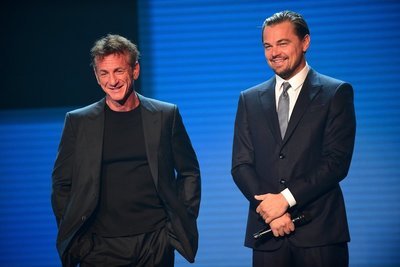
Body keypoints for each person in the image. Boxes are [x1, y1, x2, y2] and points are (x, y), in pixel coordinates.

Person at [51, 34, 201, 267]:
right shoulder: (78, 122)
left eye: (119, 71)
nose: (112, 81)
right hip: (98, 247)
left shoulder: (165, 116)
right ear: (96, 76)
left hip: (154, 243)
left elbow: (189, 172)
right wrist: (81, 243)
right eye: (104, 73)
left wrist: (175, 228)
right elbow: (62, 184)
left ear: (135, 70)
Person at [231, 10, 356, 267]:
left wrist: (285, 200)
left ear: (305, 42)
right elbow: (241, 164)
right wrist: (270, 213)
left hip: (319, 232)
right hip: (268, 234)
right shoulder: (250, 99)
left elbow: (336, 162)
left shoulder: (335, 93)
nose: (274, 52)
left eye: (283, 43)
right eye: (268, 46)